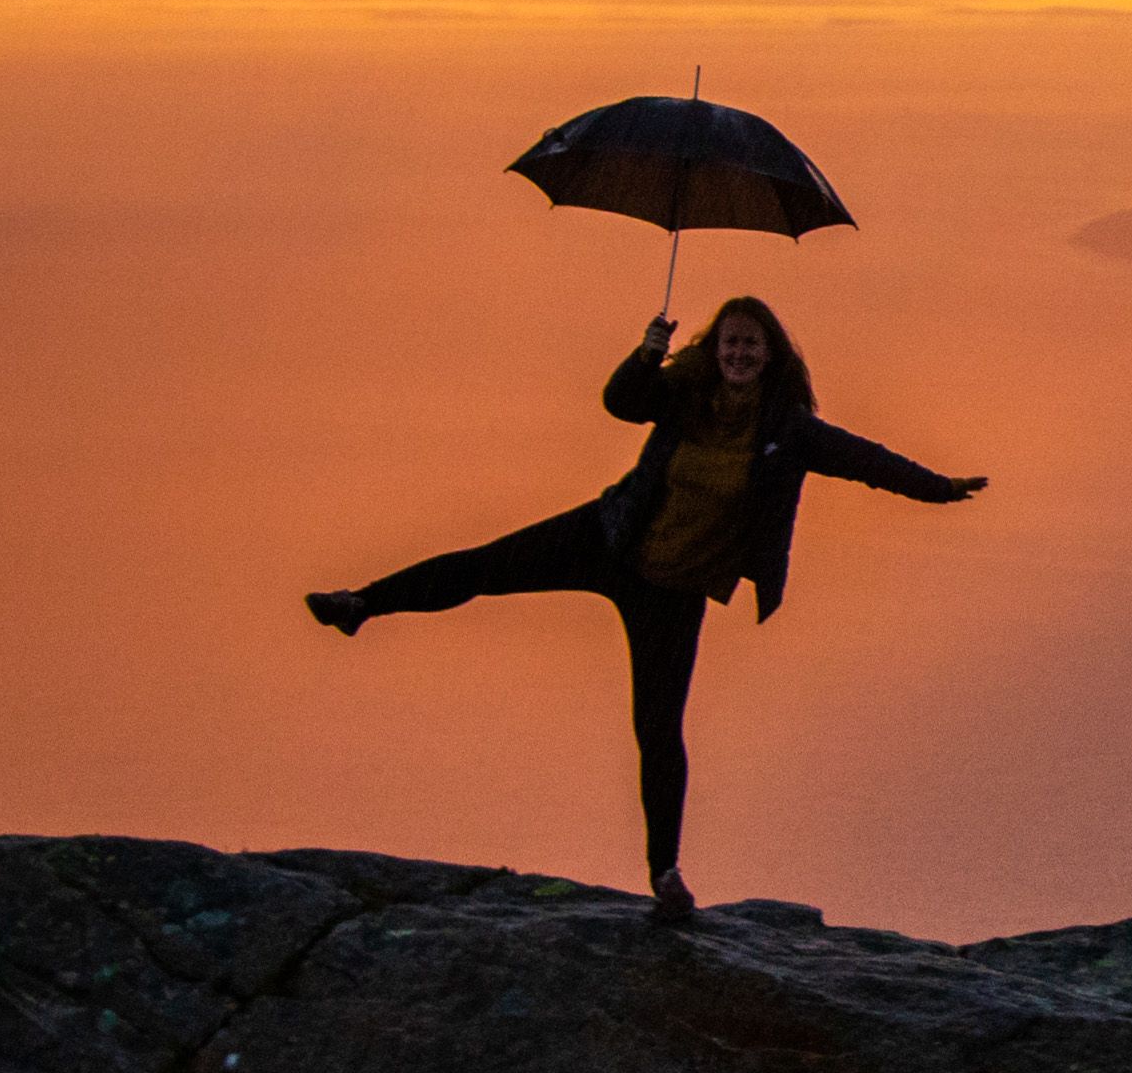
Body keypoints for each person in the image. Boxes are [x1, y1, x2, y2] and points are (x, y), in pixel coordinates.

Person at [303, 295, 983, 920]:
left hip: (673, 591)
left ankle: (665, 874)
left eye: (750, 344)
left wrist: (939, 487)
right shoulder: (685, 395)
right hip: (610, 535)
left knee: (657, 729)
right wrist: (648, 348)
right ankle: (362, 601)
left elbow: (869, 460)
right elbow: (621, 401)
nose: (738, 354)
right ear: (714, 349)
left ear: (771, 353)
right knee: (486, 566)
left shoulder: (789, 430)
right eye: (728, 343)